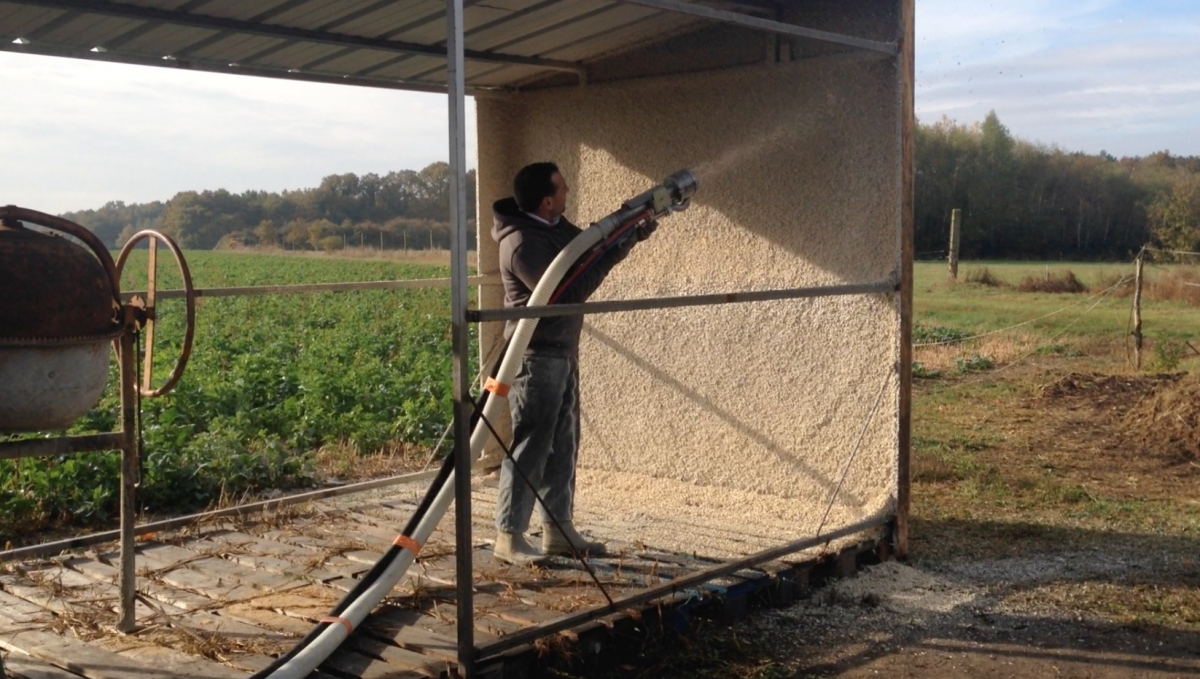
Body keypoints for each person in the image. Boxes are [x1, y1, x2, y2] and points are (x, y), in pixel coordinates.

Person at [490, 161, 654, 566]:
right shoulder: (522, 243)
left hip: (562, 350)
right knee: (532, 445)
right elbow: (567, 293)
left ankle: (558, 530)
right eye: (562, 189)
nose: (568, 193)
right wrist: (616, 249)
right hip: (535, 356)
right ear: (547, 201)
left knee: (563, 442)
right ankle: (508, 536)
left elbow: (590, 249)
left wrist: (628, 232)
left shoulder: (553, 228)